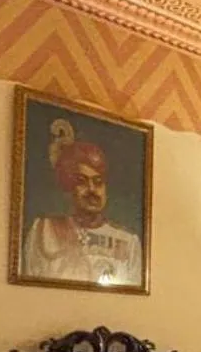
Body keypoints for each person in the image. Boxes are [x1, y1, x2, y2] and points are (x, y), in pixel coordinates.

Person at [20, 119, 144, 287]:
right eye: (81, 181)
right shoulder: (43, 230)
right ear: (68, 186)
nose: (92, 189)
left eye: (98, 182)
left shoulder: (128, 242)